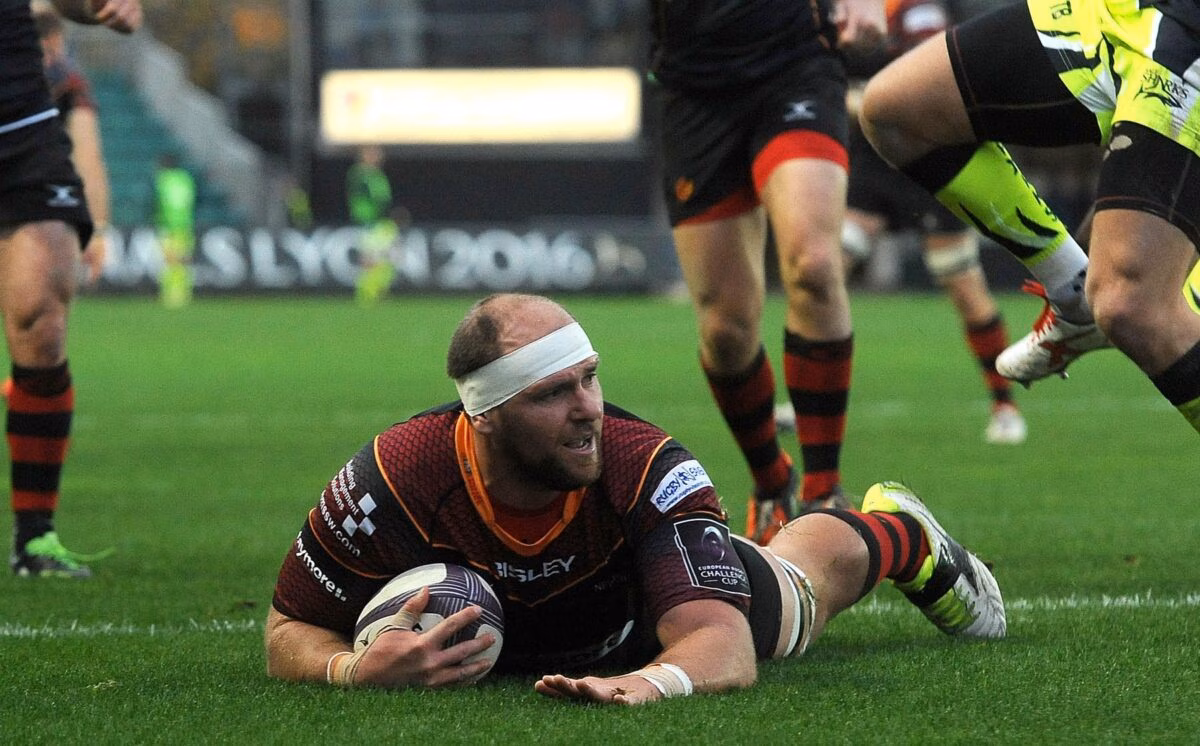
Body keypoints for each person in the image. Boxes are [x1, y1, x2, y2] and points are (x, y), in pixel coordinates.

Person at [264, 293, 1005, 701]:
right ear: (484, 416)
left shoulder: (645, 465)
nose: (587, 408)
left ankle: (903, 535)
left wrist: (645, 685)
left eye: (590, 378)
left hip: (646, 620)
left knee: (795, 595)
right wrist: (351, 669)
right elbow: (289, 627)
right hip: (536, 626)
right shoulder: (393, 477)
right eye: (553, 394)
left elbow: (724, 650)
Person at [858, 0, 1200, 436]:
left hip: (1187, 35)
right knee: (895, 110)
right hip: (1113, 11)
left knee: (1130, 306)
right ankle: (1070, 289)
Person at [646, 0, 888, 544]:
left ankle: (824, 493)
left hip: (794, 63)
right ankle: (772, 481)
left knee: (815, 265)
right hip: (694, 87)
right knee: (725, 330)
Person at [844, 0, 1026, 445]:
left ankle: (1005, 405)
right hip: (873, 164)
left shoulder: (920, 11)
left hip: (927, 155)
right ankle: (809, 401)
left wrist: (861, 99)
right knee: (822, 272)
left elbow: (925, 83)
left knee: (963, 287)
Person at [3, 0, 142, 578]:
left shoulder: (66, 80)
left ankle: (35, 539)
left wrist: (94, 4)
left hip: (19, 123)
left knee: (41, 317)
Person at [32, 0, 110, 286]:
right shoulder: (67, 82)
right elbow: (88, 154)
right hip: (33, 203)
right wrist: (97, 229)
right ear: (54, 40)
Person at [346, 144, 397, 305]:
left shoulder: (376, 175)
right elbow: (368, 199)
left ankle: (379, 290)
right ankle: (366, 293)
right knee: (370, 257)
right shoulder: (360, 174)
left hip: (382, 221)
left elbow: (384, 198)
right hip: (369, 221)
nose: (377, 157)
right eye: (373, 154)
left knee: (386, 257)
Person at [151, 151, 196, 308]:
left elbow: (156, 201)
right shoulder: (186, 179)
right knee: (182, 261)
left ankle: (169, 294)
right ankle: (183, 293)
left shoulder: (162, 179)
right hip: (185, 225)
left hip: (167, 225)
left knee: (169, 261)